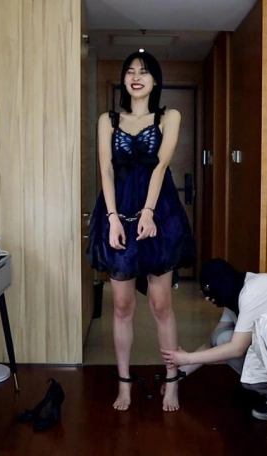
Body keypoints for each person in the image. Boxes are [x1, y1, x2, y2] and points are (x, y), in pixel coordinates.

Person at [86, 50, 196, 412]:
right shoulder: (108, 120)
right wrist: (113, 218)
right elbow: (105, 170)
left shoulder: (169, 116)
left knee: (161, 304)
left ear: (155, 81)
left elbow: (161, 166)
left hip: (158, 212)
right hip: (117, 211)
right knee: (121, 304)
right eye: (130, 71)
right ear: (124, 79)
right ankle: (124, 383)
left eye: (144, 72)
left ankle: (172, 381)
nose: (136, 77)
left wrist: (148, 212)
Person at [160, 258, 267, 419]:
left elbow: (237, 348)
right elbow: (212, 342)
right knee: (221, 338)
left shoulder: (253, 293)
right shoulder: (236, 292)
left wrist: (186, 358)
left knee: (233, 345)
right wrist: (178, 375)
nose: (207, 299)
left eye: (208, 292)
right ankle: (266, 389)